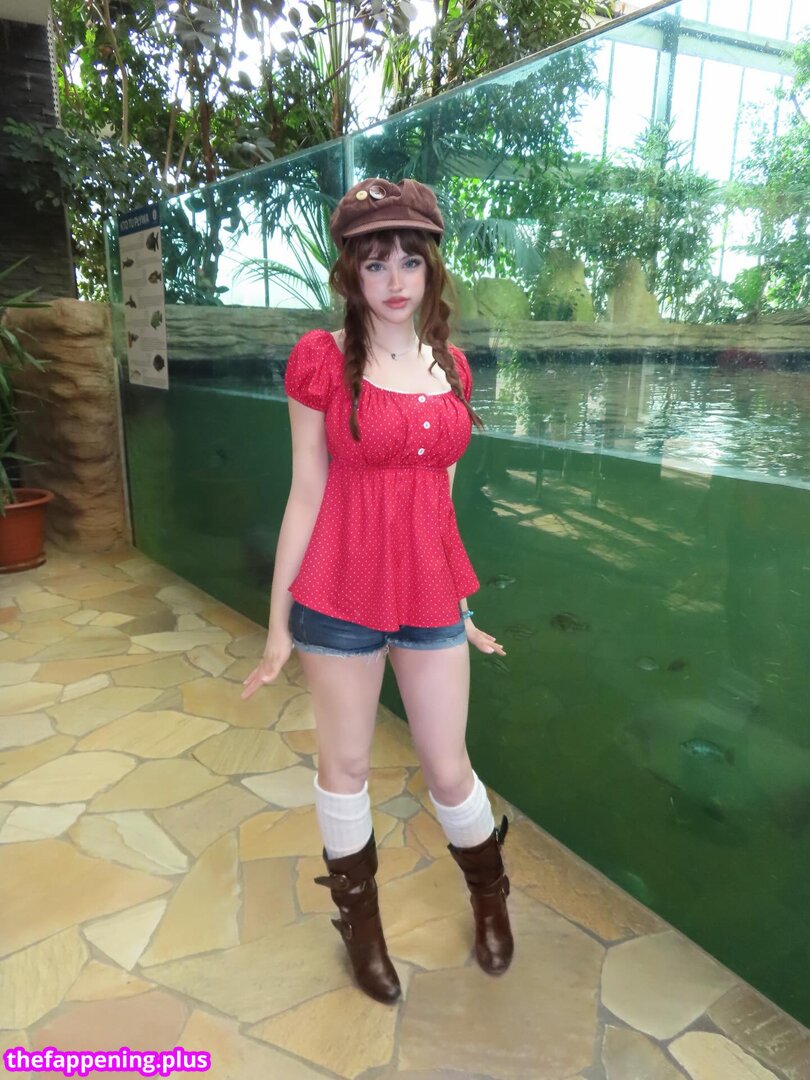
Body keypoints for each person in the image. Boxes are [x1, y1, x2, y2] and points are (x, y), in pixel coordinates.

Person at [241, 177, 513, 1005]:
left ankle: (490, 897)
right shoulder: (320, 360)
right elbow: (305, 492)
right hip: (337, 594)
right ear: (350, 273)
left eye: (409, 261)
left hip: (428, 596)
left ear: (431, 269)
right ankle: (361, 929)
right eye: (374, 263)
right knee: (347, 763)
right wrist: (278, 626)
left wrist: (459, 608)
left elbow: (440, 502)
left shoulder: (453, 368)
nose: (394, 280)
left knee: (448, 767)